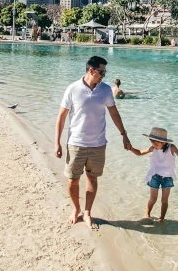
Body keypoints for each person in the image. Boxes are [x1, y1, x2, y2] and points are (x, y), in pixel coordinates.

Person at [55, 55, 132, 228]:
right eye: (102, 72)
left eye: (105, 72)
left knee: (92, 179)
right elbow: (61, 117)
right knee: (72, 180)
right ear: (91, 70)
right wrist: (57, 142)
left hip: (98, 145)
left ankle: (87, 212)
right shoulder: (73, 89)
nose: (104, 75)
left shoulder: (105, 90)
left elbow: (114, 113)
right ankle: (76, 209)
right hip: (76, 143)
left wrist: (124, 134)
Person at [129, 127, 178, 222]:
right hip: (154, 176)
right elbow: (140, 153)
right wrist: (131, 148)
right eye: (152, 143)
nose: (154, 145)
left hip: (168, 177)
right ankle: (147, 214)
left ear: (164, 142)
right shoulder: (153, 148)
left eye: (156, 144)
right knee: (153, 199)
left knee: (164, 200)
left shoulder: (171, 147)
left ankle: (162, 218)